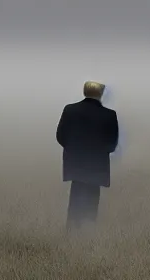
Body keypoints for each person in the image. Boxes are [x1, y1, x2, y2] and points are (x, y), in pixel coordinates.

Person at [56, 80, 119, 231]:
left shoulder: (70, 110)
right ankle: (87, 233)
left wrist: (74, 150)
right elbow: (112, 143)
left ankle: (72, 230)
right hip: (97, 165)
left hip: (75, 163)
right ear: (100, 94)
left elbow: (60, 136)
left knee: (76, 196)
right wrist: (99, 152)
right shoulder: (109, 114)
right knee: (92, 198)